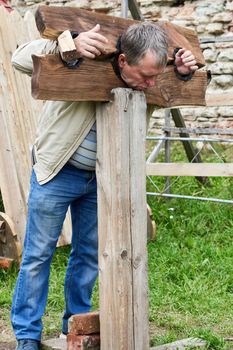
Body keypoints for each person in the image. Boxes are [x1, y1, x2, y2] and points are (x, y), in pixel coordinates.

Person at [11, 21, 198, 350]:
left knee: (87, 256)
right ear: (123, 61)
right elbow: (20, 59)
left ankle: (77, 327)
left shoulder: (149, 81)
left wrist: (180, 74)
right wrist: (66, 46)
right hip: (58, 170)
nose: (151, 83)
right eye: (145, 76)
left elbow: (170, 88)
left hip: (104, 176)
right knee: (38, 256)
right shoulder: (81, 57)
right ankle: (27, 336)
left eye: (157, 76)